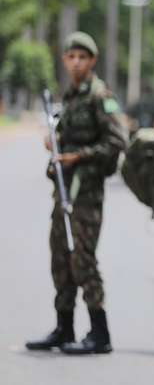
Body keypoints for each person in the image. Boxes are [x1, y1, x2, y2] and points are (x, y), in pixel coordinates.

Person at [26, 31, 127, 355]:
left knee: (82, 259)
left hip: (87, 193)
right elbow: (64, 135)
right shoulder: (69, 96)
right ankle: (64, 327)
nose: (76, 62)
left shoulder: (100, 96)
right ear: (65, 60)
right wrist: (54, 143)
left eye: (82, 57)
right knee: (60, 257)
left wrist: (77, 156)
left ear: (92, 61)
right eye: (71, 57)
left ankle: (100, 333)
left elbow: (117, 142)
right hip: (64, 190)